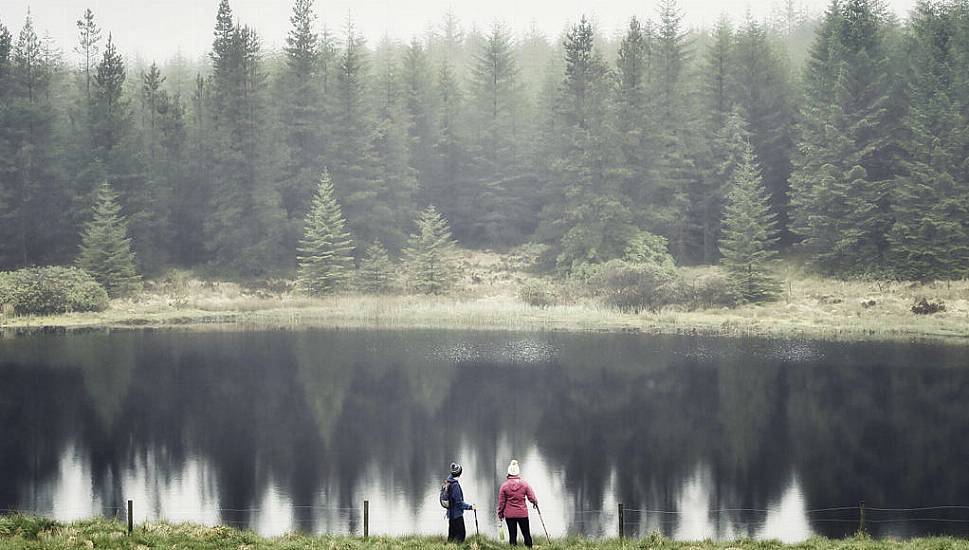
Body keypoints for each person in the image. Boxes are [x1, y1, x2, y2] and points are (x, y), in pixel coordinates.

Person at [497, 459, 538, 547]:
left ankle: (513, 548)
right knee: (526, 534)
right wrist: (535, 502)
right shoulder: (524, 484)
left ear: (508, 473)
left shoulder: (504, 486)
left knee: (512, 536)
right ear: (518, 473)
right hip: (522, 514)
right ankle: (529, 548)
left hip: (509, 515)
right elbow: (531, 497)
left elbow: (501, 503)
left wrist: (500, 514)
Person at [445, 462, 474, 543]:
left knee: (451, 536)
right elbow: (459, 503)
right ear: (459, 473)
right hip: (456, 515)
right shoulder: (455, 486)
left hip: (450, 514)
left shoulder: (448, 481)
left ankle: (449, 547)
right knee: (461, 535)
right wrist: (470, 507)